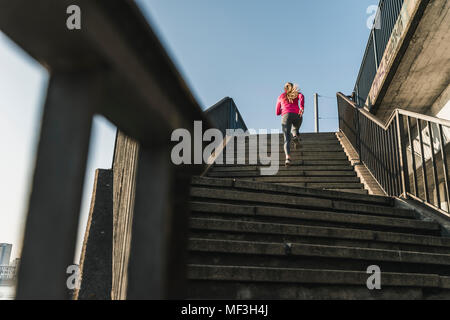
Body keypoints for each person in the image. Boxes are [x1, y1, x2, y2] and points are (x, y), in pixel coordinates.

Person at [276, 82, 305, 166]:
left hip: (286, 116)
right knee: (295, 128)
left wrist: (284, 109)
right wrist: (302, 107)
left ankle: (288, 158)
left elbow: (277, 112)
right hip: (297, 115)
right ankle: (295, 135)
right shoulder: (296, 93)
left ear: (285, 89)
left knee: (287, 139)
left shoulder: (281, 96)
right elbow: (301, 96)